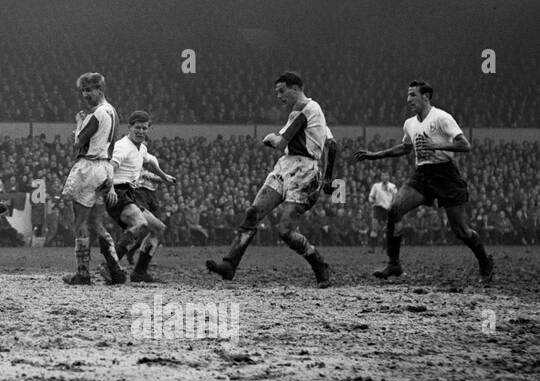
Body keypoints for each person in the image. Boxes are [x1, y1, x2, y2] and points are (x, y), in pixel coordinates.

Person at [354, 81, 494, 283]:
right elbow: (405, 148)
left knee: (460, 230)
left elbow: (465, 145)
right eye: (408, 95)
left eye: (412, 95)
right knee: (394, 210)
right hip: (422, 174)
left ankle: (484, 261)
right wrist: (375, 155)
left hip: (446, 175)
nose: (408, 99)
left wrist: (436, 144)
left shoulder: (442, 118)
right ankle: (394, 264)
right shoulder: (410, 123)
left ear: (426, 96)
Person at [206, 71, 332, 286]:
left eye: (281, 91)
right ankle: (229, 265)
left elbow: (280, 143)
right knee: (253, 212)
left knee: (285, 231)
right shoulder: (308, 113)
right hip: (286, 166)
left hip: (304, 172)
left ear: (295, 88)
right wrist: (329, 177)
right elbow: (333, 145)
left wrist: (270, 137)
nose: (278, 96)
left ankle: (319, 265)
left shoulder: (306, 109)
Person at [59, 72, 127, 285]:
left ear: (100, 89)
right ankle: (116, 269)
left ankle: (82, 273)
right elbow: (113, 144)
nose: (86, 95)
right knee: (97, 222)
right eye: (83, 91)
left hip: (89, 167)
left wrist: (79, 122)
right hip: (105, 166)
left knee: (79, 222)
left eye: (89, 90)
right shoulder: (113, 111)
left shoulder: (96, 114)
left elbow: (78, 143)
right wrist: (110, 174)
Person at [111, 112, 176, 283]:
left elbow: (150, 161)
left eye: (144, 128)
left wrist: (164, 176)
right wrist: (109, 190)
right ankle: (109, 266)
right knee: (140, 224)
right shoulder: (122, 147)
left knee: (158, 229)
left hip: (129, 194)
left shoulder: (141, 147)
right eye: (137, 128)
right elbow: (110, 168)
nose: (141, 131)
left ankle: (139, 272)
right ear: (129, 128)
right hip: (117, 192)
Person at [367, 174, 399, 254]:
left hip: (388, 209)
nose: (385, 177)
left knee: (386, 229)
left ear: (389, 177)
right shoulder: (376, 186)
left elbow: (395, 197)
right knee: (374, 228)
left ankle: (384, 249)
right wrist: (371, 201)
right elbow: (371, 196)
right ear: (381, 177)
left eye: (386, 176)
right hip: (378, 208)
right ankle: (372, 249)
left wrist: (392, 205)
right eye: (383, 176)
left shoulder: (393, 186)